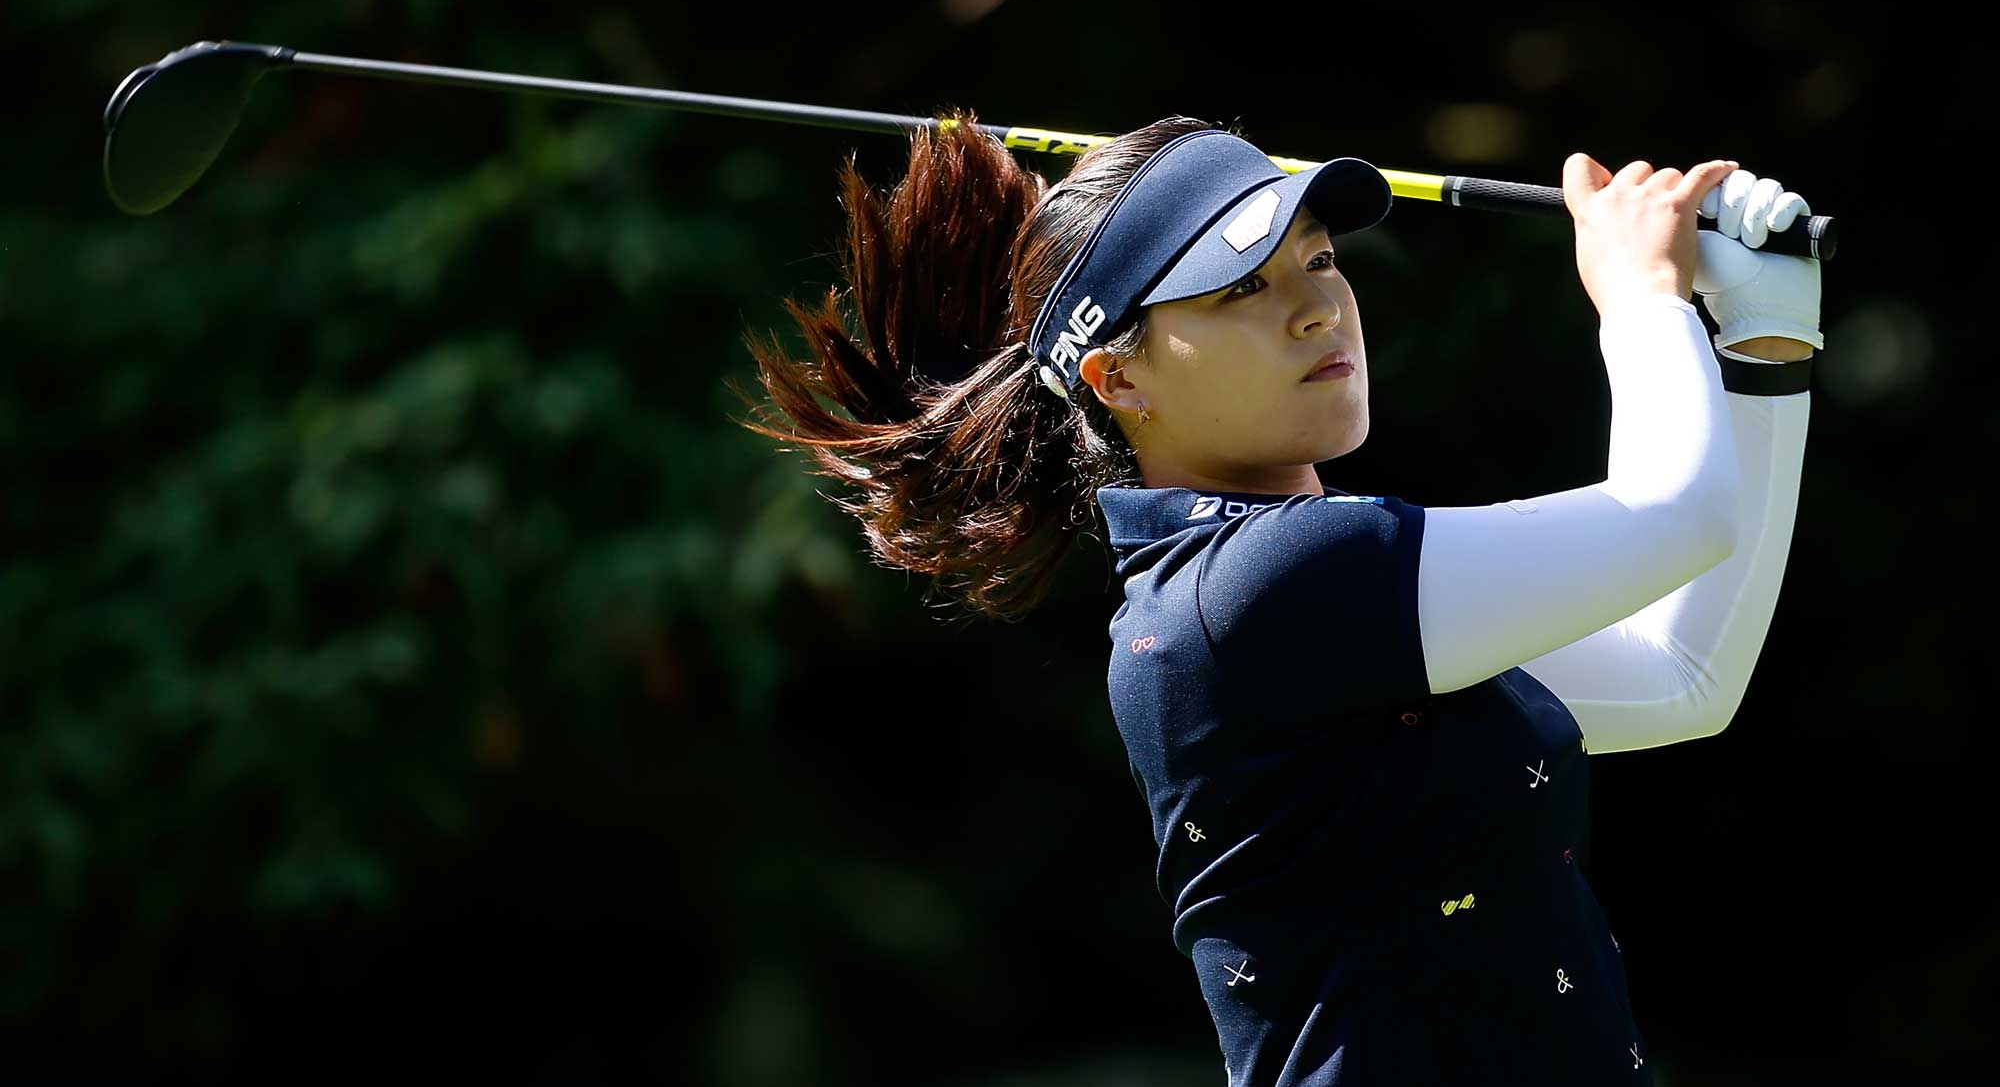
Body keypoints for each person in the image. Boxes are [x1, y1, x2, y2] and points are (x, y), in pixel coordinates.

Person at [734, 111, 1817, 1086]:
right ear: (1119, 380)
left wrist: (1765, 344)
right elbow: (1678, 514)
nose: (1314, 310)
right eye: (1241, 287)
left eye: (1318, 259)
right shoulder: (1263, 585)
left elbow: (1682, 677)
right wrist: (1638, 298)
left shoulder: (1298, 586)